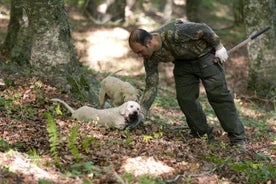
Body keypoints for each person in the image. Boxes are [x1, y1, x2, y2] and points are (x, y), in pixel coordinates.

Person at [128, 20, 246, 147]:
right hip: (183, 64)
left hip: (206, 57)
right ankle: (202, 135)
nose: (140, 56)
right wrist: (142, 112)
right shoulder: (150, 56)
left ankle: (237, 138)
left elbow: (203, 28)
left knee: (218, 95)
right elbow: (151, 85)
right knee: (185, 98)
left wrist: (219, 47)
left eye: (140, 51)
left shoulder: (173, 32)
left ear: (149, 43)